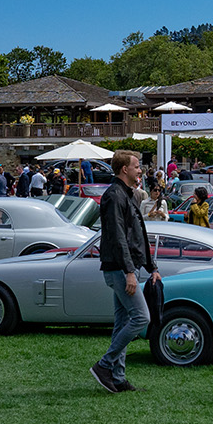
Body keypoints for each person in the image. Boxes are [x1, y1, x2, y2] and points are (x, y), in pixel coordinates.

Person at [92, 150, 161, 394]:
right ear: (125, 170)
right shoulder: (114, 195)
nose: (140, 170)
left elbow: (137, 236)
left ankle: (118, 378)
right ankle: (104, 365)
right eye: (136, 166)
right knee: (142, 318)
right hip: (120, 270)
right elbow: (118, 237)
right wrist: (130, 271)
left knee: (122, 323)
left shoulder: (127, 194)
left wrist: (151, 267)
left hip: (125, 268)